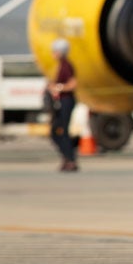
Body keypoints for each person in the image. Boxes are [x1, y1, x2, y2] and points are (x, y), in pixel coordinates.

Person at [47, 38, 79, 172]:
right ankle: (67, 157)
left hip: (66, 101)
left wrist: (58, 88)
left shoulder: (66, 65)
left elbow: (73, 84)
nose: (53, 53)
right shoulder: (61, 64)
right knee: (56, 131)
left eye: (55, 51)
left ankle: (70, 159)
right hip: (62, 101)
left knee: (62, 131)